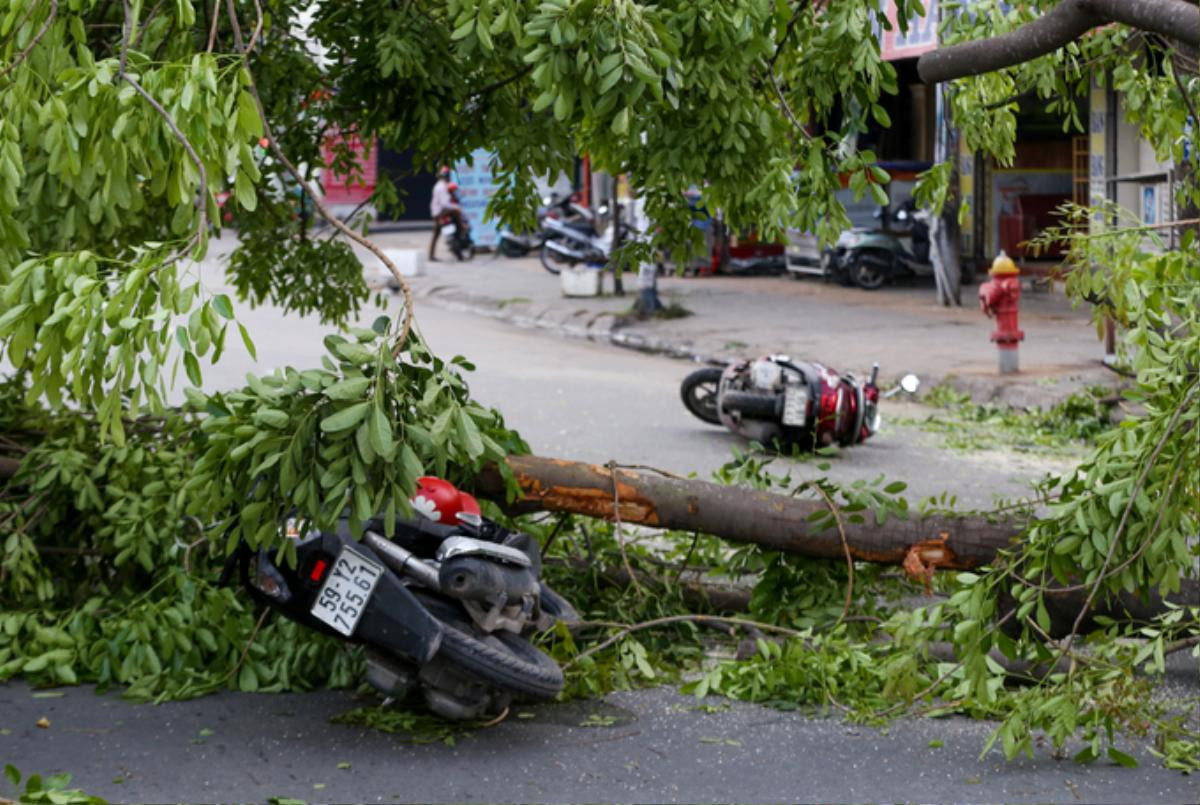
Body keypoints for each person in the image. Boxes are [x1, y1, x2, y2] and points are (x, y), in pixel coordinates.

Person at [429, 166, 464, 261]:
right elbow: (445, 204)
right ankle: (462, 228)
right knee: (457, 214)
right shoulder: (443, 186)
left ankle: (431, 255)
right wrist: (457, 208)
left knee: (436, 234)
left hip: (436, 213)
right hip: (442, 212)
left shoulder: (439, 185)